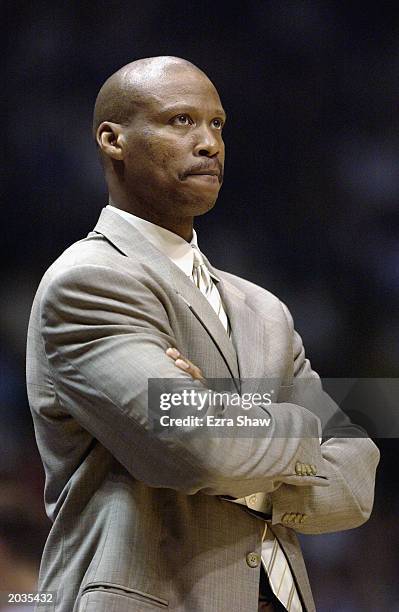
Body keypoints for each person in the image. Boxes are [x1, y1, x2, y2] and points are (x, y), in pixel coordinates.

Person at [26, 56, 379, 612]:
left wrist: (215, 415)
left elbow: (357, 485)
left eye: (217, 124)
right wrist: (298, 429)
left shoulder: (264, 309)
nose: (210, 143)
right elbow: (193, 447)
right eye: (181, 121)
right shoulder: (90, 281)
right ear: (113, 140)